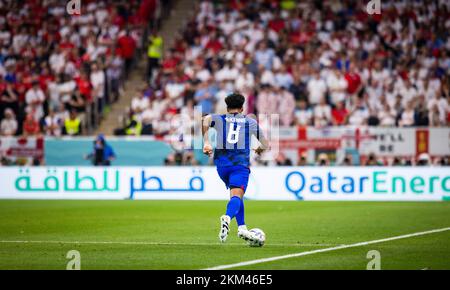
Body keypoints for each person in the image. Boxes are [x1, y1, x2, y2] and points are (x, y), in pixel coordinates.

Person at [202, 93, 269, 244]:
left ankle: (242, 228)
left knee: (236, 195)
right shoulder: (249, 122)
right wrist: (259, 150)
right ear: (242, 108)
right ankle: (227, 216)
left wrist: (206, 142)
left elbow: (205, 119)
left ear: (227, 107)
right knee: (236, 196)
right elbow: (265, 144)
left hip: (221, 166)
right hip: (239, 165)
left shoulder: (219, 119)